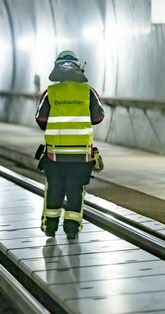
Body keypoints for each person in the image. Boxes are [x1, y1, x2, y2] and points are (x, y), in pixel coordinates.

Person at [35, 50, 105, 240]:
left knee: (54, 189)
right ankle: (72, 229)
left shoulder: (50, 93)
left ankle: (50, 226)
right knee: (75, 191)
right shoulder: (88, 92)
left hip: (54, 156)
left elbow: (40, 119)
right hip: (81, 156)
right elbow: (98, 117)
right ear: (78, 68)